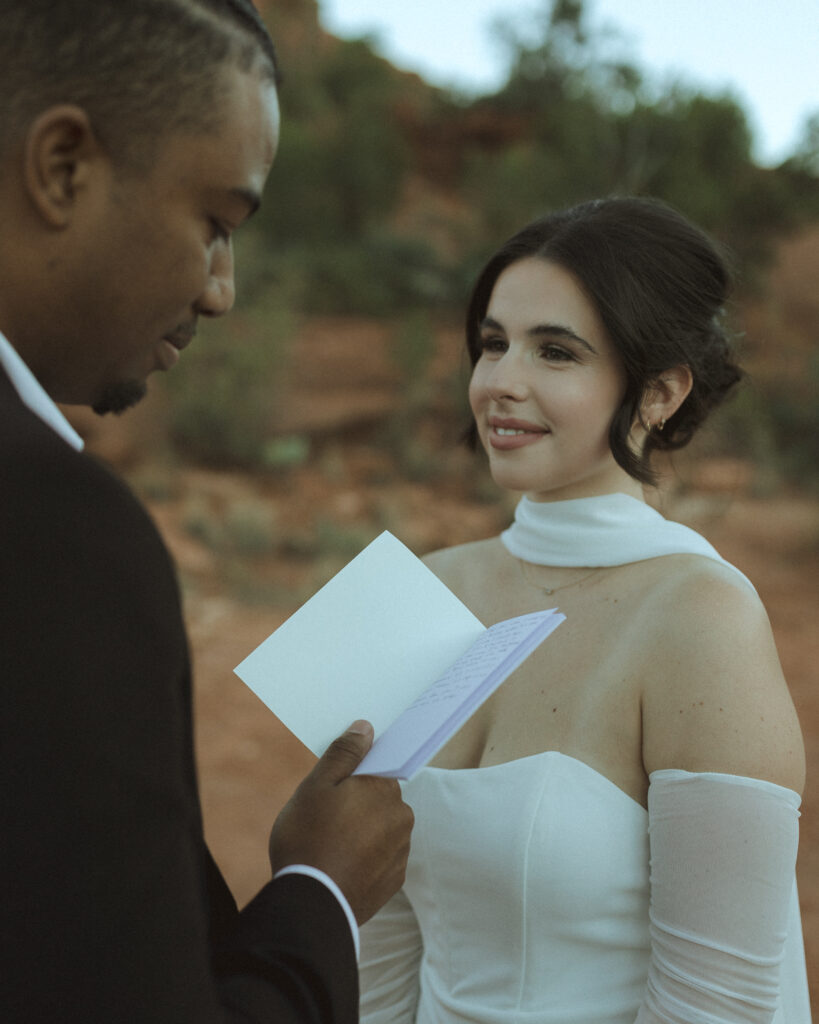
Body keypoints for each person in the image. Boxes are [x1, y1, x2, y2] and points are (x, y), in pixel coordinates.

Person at [0, 2, 413, 1021]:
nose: (221, 291)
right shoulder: (54, 530)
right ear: (62, 166)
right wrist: (319, 893)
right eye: (216, 224)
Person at [358, 197, 811, 1023]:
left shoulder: (700, 618)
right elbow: (376, 950)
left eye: (554, 352)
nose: (501, 381)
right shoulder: (424, 589)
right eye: (492, 343)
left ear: (658, 392)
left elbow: (719, 1006)